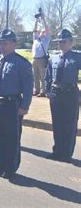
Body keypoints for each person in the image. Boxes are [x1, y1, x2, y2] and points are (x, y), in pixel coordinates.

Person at [0, 29, 33, 179]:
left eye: (5, 43)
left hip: (12, 105)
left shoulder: (21, 63)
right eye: (0, 43)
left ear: (14, 44)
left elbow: (29, 87)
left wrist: (25, 106)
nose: (2, 46)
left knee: (11, 137)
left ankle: (10, 168)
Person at [44, 29, 80, 163]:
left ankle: (66, 153)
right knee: (57, 123)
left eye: (64, 41)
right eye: (59, 42)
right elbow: (47, 76)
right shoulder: (53, 58)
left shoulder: (77, 56)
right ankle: (57, 151)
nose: (61, 44)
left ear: (71, 42)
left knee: (70, 125)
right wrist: (47, 91)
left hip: (70, 93)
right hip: (56, 94)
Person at [31, 13, 51, 97]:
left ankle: (43, 91)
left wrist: (43, 19)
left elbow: (47, 29)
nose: (42, 32)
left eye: (44, 32)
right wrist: (36, 20)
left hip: (42, 59)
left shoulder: (46, 40)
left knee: (43, 76)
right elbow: (34, 30)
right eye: (41, 31)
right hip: (34, 59)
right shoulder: (36, 39)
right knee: (35, 76)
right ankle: (37, 90)